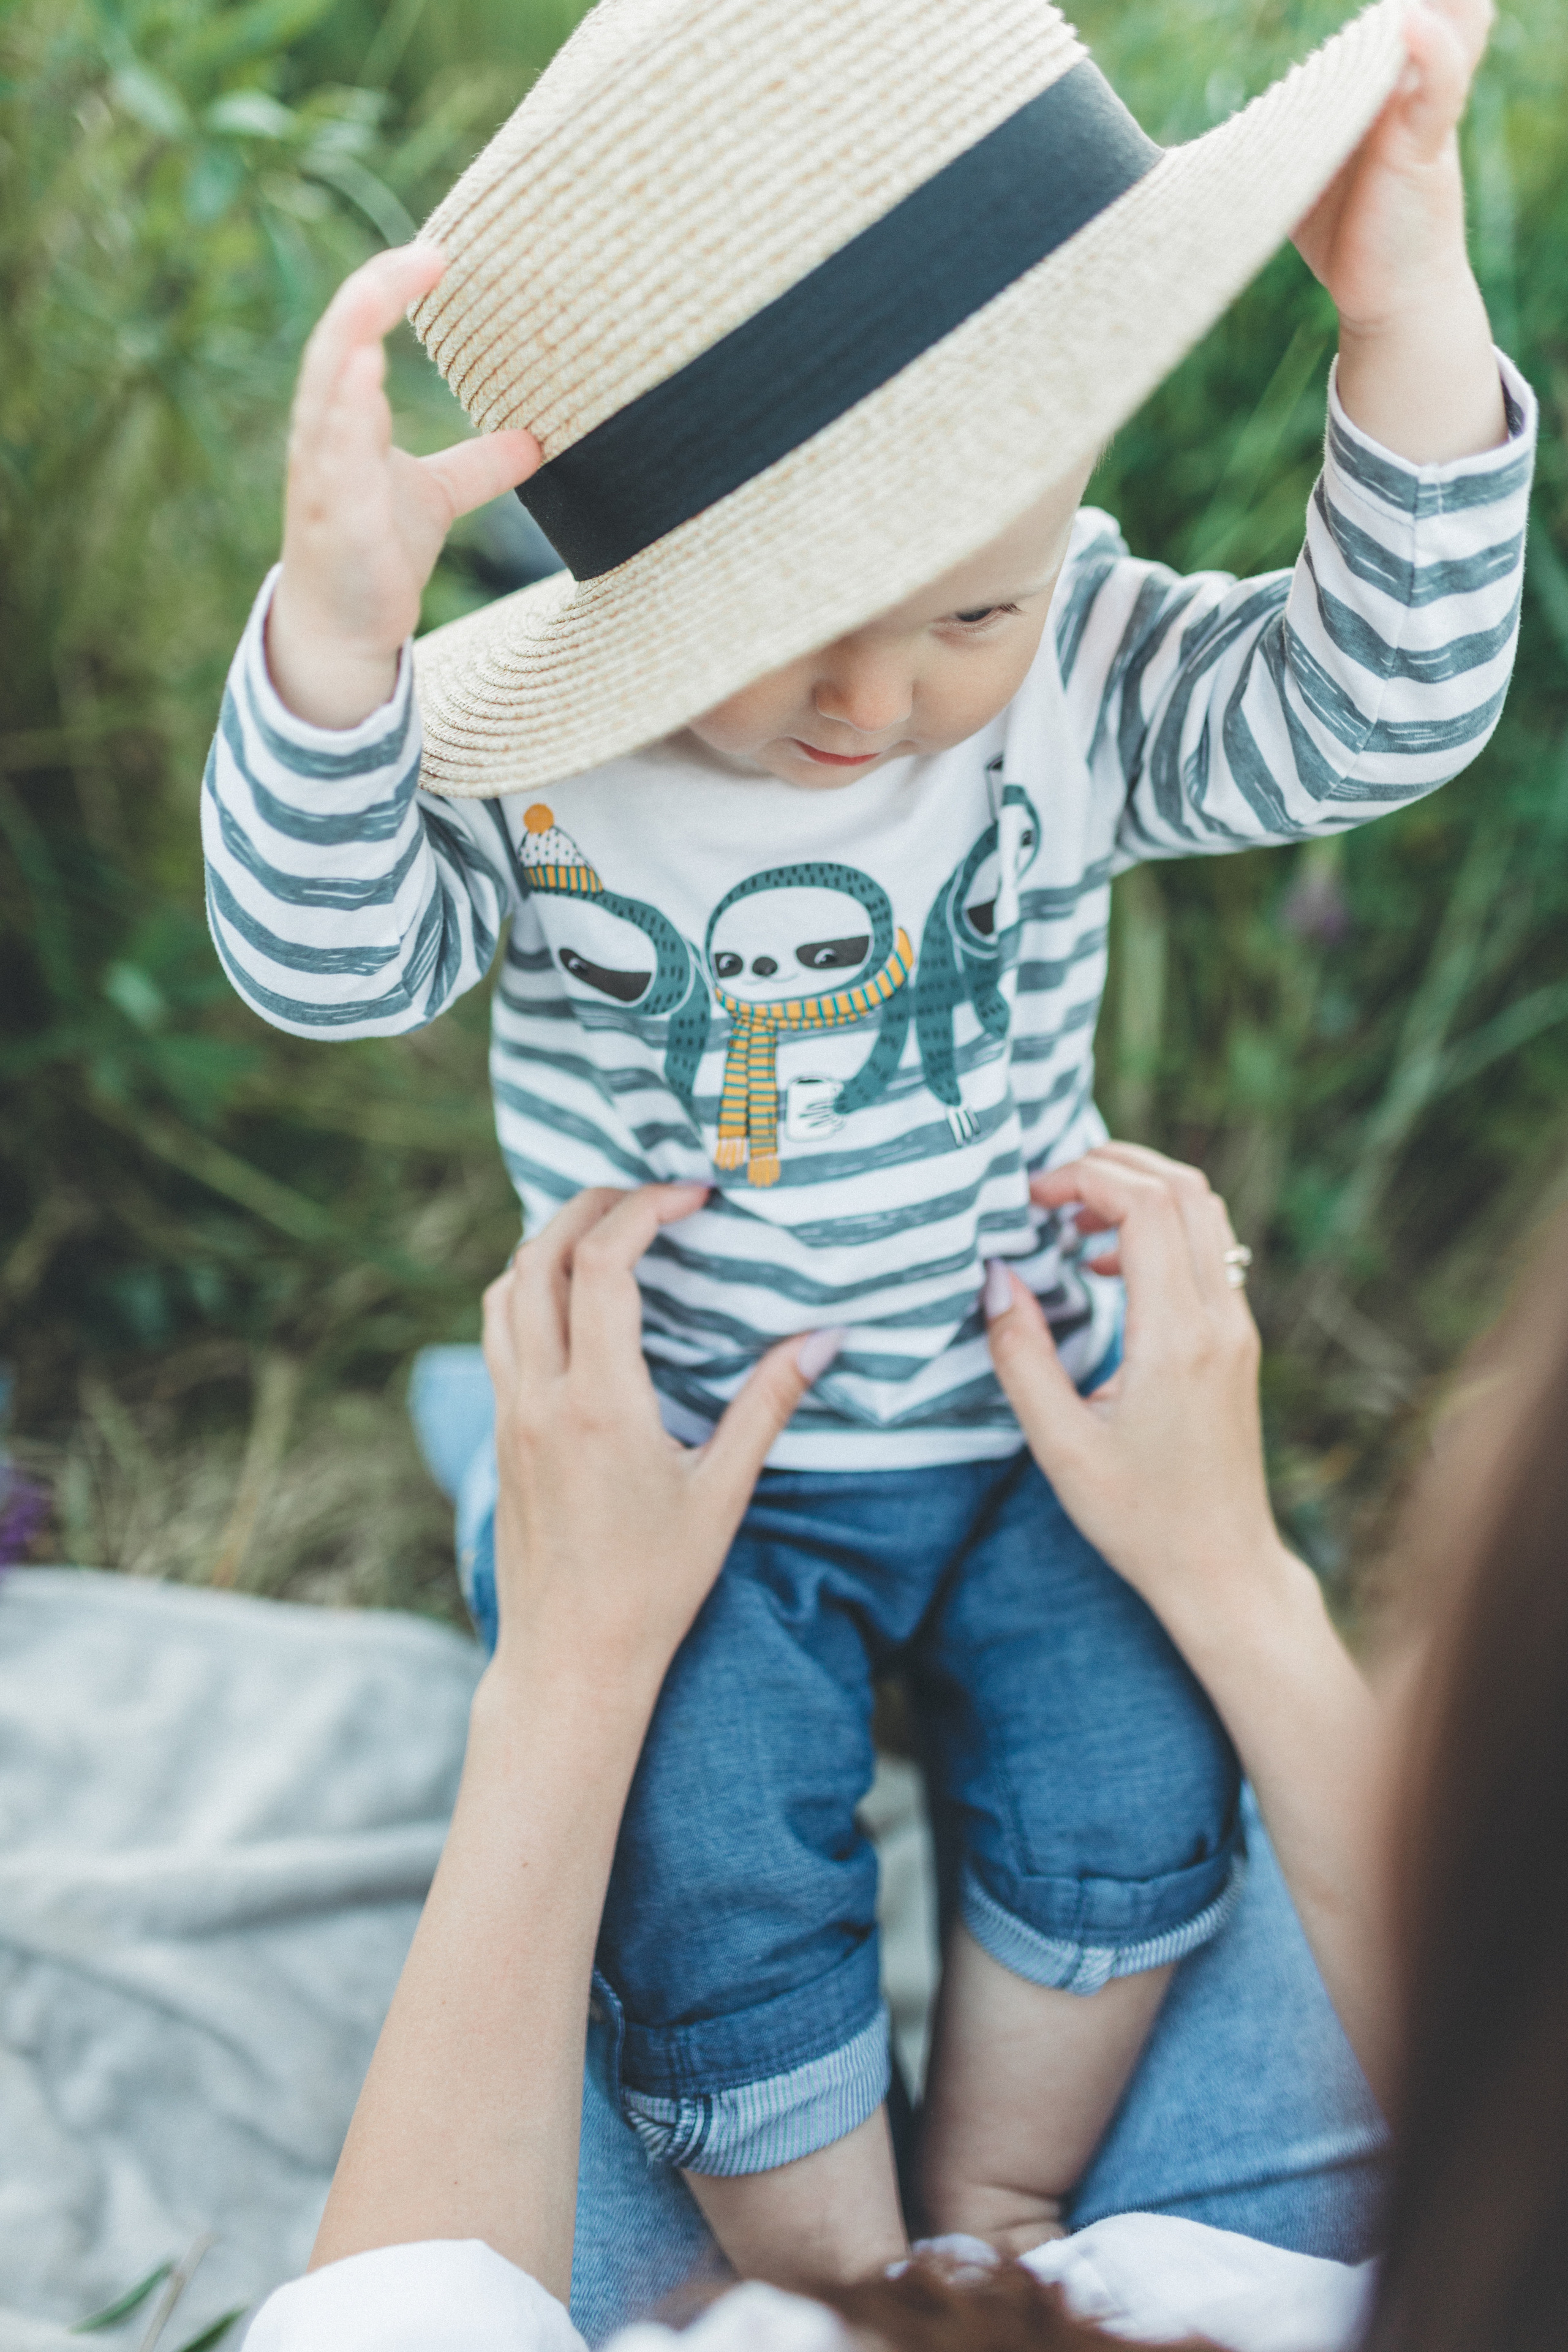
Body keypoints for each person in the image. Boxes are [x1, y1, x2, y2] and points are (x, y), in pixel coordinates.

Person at [200, 0, 1536, 2284]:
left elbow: (1372, 704)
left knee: (1128, 1783)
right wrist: (334, 655)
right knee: (706, 1850)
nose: (867, 702)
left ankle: (995, 2211)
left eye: (966, 616)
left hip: (1039, 1406)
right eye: (782, 631)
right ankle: (830, 2277)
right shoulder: (552, 761)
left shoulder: (1092, 672)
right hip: (701, 1451)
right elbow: (334, 960)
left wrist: (1407, 311)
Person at [247, 1144, 1568, 2351]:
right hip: (1251, 2283)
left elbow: (411, 2294)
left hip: (775, 2294)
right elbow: (1515, 2062)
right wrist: (1231, 1570)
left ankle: (496, 1437)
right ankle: (531, 1449)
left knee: (678, 1716)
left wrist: (565, 1659)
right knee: (1133, 1726)